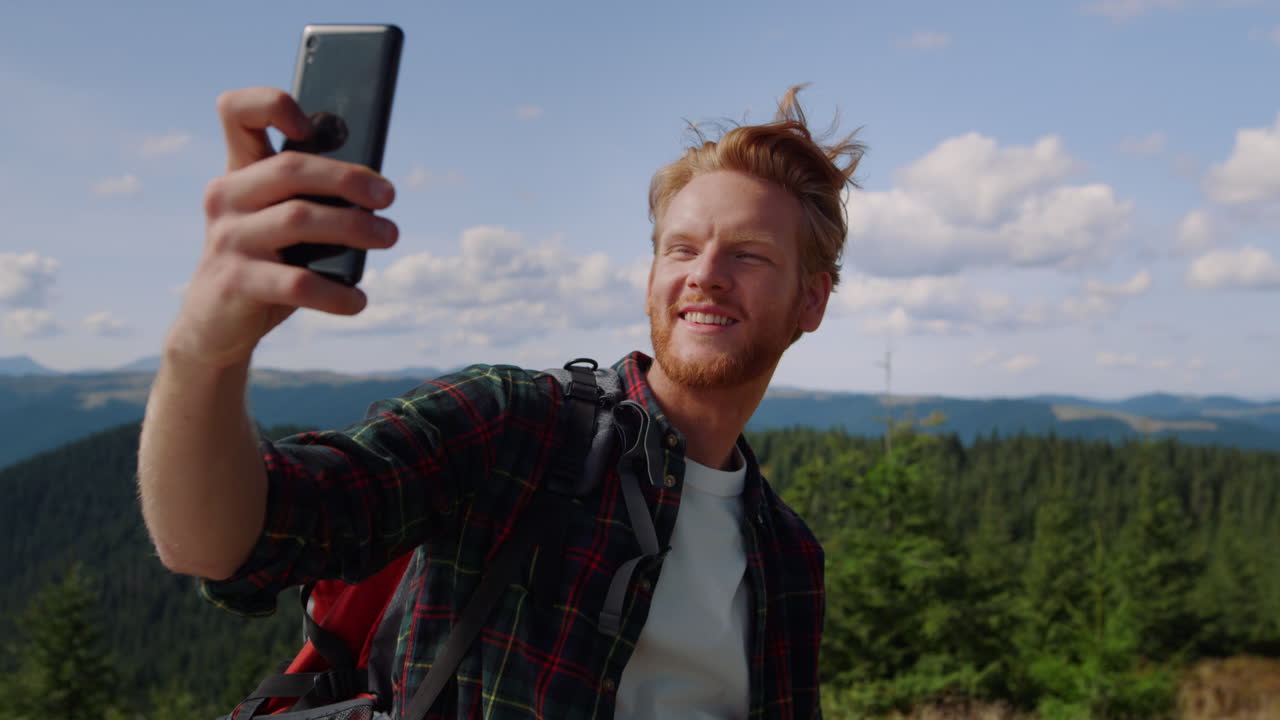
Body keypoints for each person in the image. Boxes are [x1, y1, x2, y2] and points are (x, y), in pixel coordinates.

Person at [138, 84, 863, 719]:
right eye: (680, 249)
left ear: (811, 299)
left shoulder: (788, 556)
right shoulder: (515, 427)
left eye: (749, 254)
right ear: (650, 277)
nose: (704, 275)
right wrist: (202, 353)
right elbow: (228, 543)